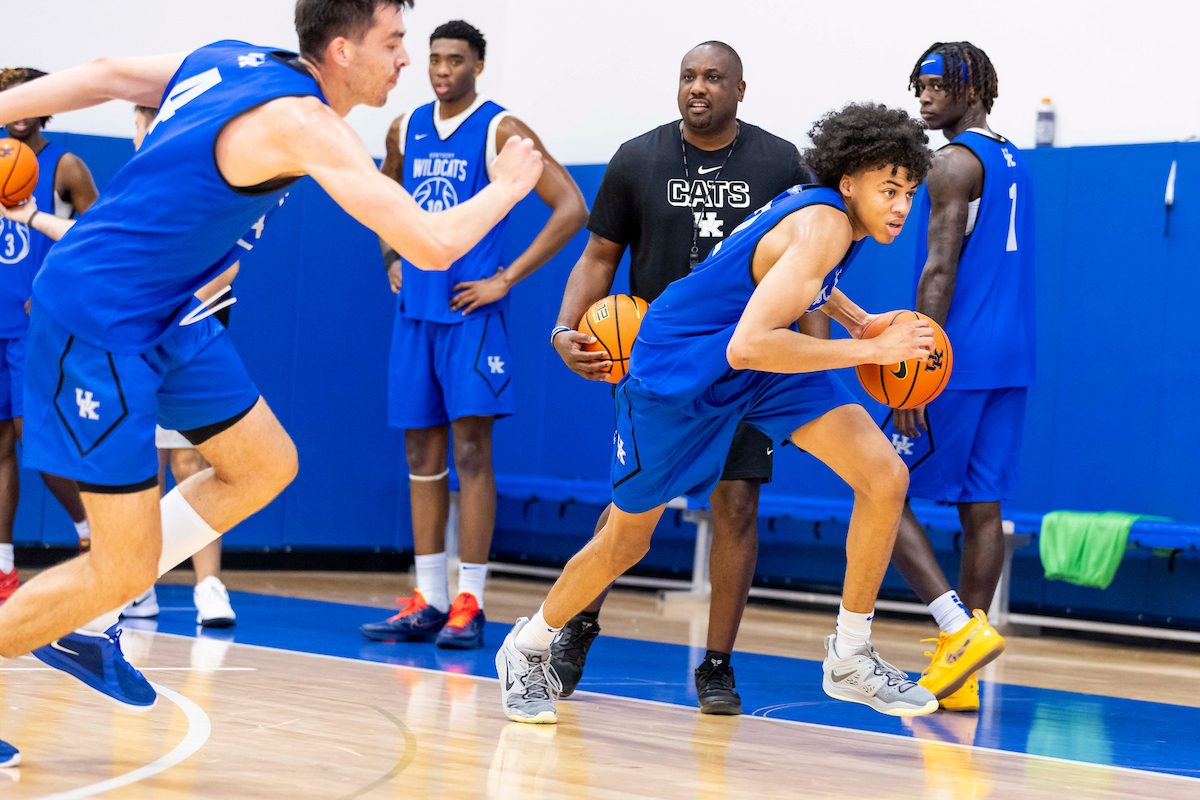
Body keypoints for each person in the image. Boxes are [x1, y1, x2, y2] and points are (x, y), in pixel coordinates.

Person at [0, 0, 542, 766]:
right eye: (394, 41)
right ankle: (89, 602)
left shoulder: (232, 58)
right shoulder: (307, 124)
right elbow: (429, 243)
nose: (405, 59)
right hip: (99, 317)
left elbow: (105, 73)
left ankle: (88, 618)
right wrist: (511, 183)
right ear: (344, 48)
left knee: (264, 464)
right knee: (117, 565)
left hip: (168, 310)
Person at [497, 102, 952, 725]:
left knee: (884, 475)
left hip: (752, 368)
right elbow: (749, 343)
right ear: (849, 182)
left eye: (909, 193)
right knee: (626, 541)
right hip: (679, 371)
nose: (901, 205)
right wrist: (873, 350)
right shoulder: (826, 225)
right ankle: (527, 647)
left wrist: (859, 320)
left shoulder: (830, 216)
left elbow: (796, 284)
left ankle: (850, 655)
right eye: (889, 189)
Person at [547, 41, 815, 715]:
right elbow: (598, 255)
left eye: (714, 77)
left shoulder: (780, 163)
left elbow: (808, 270)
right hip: (658, 365)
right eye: (689, 76)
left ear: (740, 89)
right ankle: (577, 624)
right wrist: (563, 328)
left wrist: (814, 360)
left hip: (745, 363)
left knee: (737, 503)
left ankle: (717, 665)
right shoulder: (637, 158)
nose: (699, 87)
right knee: (630, 507)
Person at [360, 20, 586, 650]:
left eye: (455, 60)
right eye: (434, 59)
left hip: (471, 317)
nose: (442, 70)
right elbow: (378, 193)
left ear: (478, 66)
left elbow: (572, 206)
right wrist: (391, 254)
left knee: (471, 453)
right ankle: (429, 598)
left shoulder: (499, 130)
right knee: (420, 457)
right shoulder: (404, 127)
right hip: (416, 314)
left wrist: (505, 278)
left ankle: (471, 601)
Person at [6, 103, 241, 628]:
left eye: (143, 122)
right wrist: (34, 218)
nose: (138, 132)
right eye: (138, 123)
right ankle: (135, 583)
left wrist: (165, 310)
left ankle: (208, 585)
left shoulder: (197, 179)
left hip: (182, 338)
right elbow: (92, 246)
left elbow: (227, 266)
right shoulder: (137, 182)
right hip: (131, 343)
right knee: (138, 466)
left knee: (194, 463)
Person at [887, 42, 1032, 712]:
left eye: (937, 84)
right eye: (919, 84)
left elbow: (939, 268)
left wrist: (917, 364)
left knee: (878, 487)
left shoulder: (951, 162)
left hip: (957, 358)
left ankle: (956, 628)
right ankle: (963, 670)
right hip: (1011, 357)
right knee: (982, 508)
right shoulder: (1012, 157)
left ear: (972, 88)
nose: (924, 96)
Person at [0, 68, 96, 594]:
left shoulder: (65, 165)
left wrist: (56, 289)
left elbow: (100, 241)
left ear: (44, 105)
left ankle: (94, 535)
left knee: (33, 438)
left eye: (27, 99)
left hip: (36, 327)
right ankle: (3, 569)